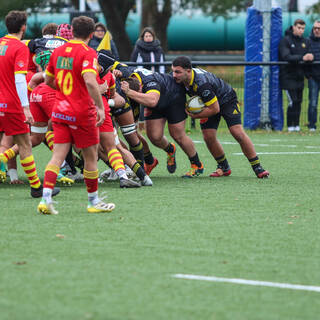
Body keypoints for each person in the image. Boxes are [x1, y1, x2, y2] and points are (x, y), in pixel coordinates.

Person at [38, 15, 115, 215]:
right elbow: (90, 81)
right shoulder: (88, 52)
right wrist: (99, 107)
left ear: (72, 31)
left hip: (60, 110)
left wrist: (64, 91)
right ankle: (93, 201)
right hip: (81, 112)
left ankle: (45, 200)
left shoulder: (58, 51)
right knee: (90, 157)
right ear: (91, 34)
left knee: (57, 156)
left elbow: (48, 80)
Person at [171, 56, 269, 179]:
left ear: (189, 71)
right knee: (208, 136)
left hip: (226, 100)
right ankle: (224, 167)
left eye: (178, 72)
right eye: (173, 71)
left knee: (237, 132)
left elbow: (214, 109)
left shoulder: (202, 84)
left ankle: (257, 167)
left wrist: (195, 116)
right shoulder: (178, 78)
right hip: (209, 102)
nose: (174, 75)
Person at [0, 11, 60, 198]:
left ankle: (35, 187)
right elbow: (19, 79)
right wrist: (25, 107)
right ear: (23, 27)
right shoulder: (19, 47)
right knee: (25, 143)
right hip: (11, 104)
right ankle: (36, 188)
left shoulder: (1, 43)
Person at [119, 67, 204, 178]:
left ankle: (197, 164)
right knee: (154, 137)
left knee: (177, 134)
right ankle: (170, 149)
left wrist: (129, 92)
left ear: (140, 86)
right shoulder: (125, 73)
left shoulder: (150, 82)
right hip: (154, 101)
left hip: (173, 98)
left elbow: (152, 100)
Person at [278, 19, 314, 132]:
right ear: (294, 27)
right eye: (299, 28)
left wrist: (310, 58)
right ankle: (290, 126)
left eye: (303, 28)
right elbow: (286, 56)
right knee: (292, 101)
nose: (301, 30)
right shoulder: (286, 40)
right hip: (288, 77)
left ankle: (297, 126)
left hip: (300, 78)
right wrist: (302, 57)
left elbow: (308, 56)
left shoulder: (306, 42)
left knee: (299, 101)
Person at [130, 27, 166, 131]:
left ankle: (156, 124)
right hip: (143, 79)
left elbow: (163, 63)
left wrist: (162, 76)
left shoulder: (159, 49)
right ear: (143, 37)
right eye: (146, 36)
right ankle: (140, 124)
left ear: (153, 37)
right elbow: (134, 63)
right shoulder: (138, 48)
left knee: (156, 100)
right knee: (142, 100)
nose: (148, 38)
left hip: (157, 78)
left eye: (150, 36)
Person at [307, 20, 320, 131]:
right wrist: (308, 75)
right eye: (315, 28)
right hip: (313, 77)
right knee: (313, 103)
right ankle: (312, 125)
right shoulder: (307, 41)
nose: (316, 30)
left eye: (319, 28)